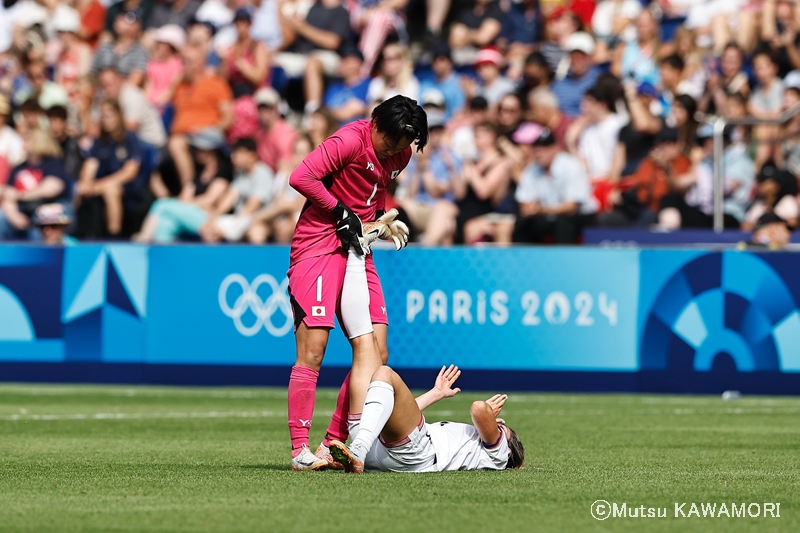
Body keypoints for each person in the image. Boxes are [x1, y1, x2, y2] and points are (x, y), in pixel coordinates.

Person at [285, 95, 427, 470]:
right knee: (313, 349)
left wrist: (381, 220)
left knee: (378, 352)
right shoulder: (349, 141)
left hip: (358, 248)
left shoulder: (400, 154)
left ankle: (333, 442)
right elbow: (300, 177)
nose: (394, 151)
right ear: (376, 124)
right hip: (318, 245)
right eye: (390, 141)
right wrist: (340, 212)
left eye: (403, 145)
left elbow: (373, 194)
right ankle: (300, 451)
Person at [328, 364, 524, 473]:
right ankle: (350, 452)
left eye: (503, 429)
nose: (499, 427)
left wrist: (488, 412)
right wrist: (436, 393)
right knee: (364, 359)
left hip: (413, 453)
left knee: (383, 373)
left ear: (508, 450)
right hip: (383, 448)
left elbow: (478, 409)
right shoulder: (476, 445)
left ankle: (356, 450)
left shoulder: (498, 455)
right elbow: (393, 411)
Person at [135, 129, 233, 243]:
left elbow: (210, 199)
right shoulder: (198, 171)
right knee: (166, 224)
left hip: (209, 217)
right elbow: (185, 195)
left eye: (200, 149)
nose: (196, 152)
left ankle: (143, 239)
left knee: (162, 205)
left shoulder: (223, 172)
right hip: (193, 212)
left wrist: (188, 203)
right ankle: (164, 257)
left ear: (212, 151)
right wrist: (187, 203)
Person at [169, 44, 234, 195]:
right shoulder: (180, 85)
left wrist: (206, 129)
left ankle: (189, 188)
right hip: (184, 134)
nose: (183, 66)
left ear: (199, 64)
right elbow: (159, 102)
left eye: (187, 62)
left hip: (207, 132)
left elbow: (228, 117)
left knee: (176, 144)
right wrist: (174, 82)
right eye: (182, 62)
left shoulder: (216, 83)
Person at [513, 127, 595, 244]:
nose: (540, 152)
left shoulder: (571, 166)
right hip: (548, 215)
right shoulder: (531, 169)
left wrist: (540, 210)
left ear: (555, 148)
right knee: (523, 223)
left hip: (579, 216)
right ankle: (523, 259)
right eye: (537, 148)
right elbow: (525, 202)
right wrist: (532, 209)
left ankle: (563, 260)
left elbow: (570, 207)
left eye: (545, 148)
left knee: (564, 223)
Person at [76, 99, 143, 238]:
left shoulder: (130, 138)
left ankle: (114, 235)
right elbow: (90, 164)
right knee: (79, 188)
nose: (105, 120)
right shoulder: (100, 141)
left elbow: (130, 172)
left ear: (118, 115)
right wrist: (86, 183)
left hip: (127, 187)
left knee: (111, 190)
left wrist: (102, 184)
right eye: (103, 116)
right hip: (100, 185)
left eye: (109, 116)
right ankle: (80, 234)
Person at [600, 126, 692, 227]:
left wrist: (667, 166)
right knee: (607, 218)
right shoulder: (649, 162)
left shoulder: (684, 162)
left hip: (661, 210)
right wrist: (618, 190)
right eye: (664, 141)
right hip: (640, 207)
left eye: (672, 141)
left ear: (680, 143)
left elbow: (677, 188)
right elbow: (637, 181)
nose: (667, 145)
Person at [276, 0, 352, 117]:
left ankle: (312, 114)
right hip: (302, 55)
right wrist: (281, 12)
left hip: (330, 57)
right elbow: (292, 33)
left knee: (312, 63)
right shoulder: (312, 8)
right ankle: (279, 108)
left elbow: (332, 42)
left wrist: (302, 28)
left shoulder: (341, 11)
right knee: (273, 61)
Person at [397, 110, 463, 245]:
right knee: (402, 206)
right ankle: (401, 246)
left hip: (443, 206)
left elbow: (436, 191)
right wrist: (418, 166)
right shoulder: (414, 158)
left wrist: (424, 166)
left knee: (444, 215)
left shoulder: (449, 158)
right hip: (421, 206)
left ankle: (425, 248)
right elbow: (411, 193)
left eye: (439, 130)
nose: (436, 135)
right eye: (432, 131)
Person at [0, 129, 70, 241]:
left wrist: (20, 195)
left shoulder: (53, 163)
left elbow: (51, 188)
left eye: (26, 140)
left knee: (42, 218)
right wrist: (14, 216)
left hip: (47, 208)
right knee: (2, 217)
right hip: (22, 211)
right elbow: (8, 194)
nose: (22, 143)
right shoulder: (19, 167)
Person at [91, 8, 149, 87]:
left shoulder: (140, 52)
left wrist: (114, 86)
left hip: (122, 93)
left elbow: (135, 80)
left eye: (127, 19)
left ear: (136, 27)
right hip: (99, 89)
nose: (120, 20)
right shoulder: (105, 47)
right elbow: (92, 73)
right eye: (120, 17)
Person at [551, 32, 602, 118]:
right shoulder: (559, 83)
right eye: (573, 56)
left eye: (581, 56)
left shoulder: (599, 81)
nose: (576, 60)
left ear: (589, 57)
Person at [742, 163, 799, 231]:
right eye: (760, 181)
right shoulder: (758, 204)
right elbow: (745, 227)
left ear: (776, 186)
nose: (761, 185)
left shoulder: (787, 200)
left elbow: (793, 223)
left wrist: (771, 225)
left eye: (765, 181)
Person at [253, 87, 298, 174]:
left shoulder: (285, 133)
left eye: (268, 108)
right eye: (261, 108)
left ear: (276, 109)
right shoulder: (258, 134)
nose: (264, 112)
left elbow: (286, 167)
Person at [324, 45, 371, 126]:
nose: (341, 64)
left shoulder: (370, 85)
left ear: (357, 63)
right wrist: (340, 112)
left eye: (346, 61)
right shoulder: (334, 86)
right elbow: (324, 112)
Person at [448, 0, 504, 66]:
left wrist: (465, 34)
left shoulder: (497, 10)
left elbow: (483, 39)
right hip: (464, 52)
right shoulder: (466, 11)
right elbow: (454, 40)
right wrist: (477, 34)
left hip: (487, 54)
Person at [418, 42, 465, 120]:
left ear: (450, 61)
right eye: (435, 59)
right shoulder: (424, 84)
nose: (438, 63)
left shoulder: (459, 84)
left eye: (442, 59)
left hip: (449, 128)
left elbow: (459, 116)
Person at [367, 40, 420, 105]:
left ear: (403, 60)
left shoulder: (411, 84)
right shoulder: (376, 83)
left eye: (393, 58)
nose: (388, 63)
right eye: (385, 58)